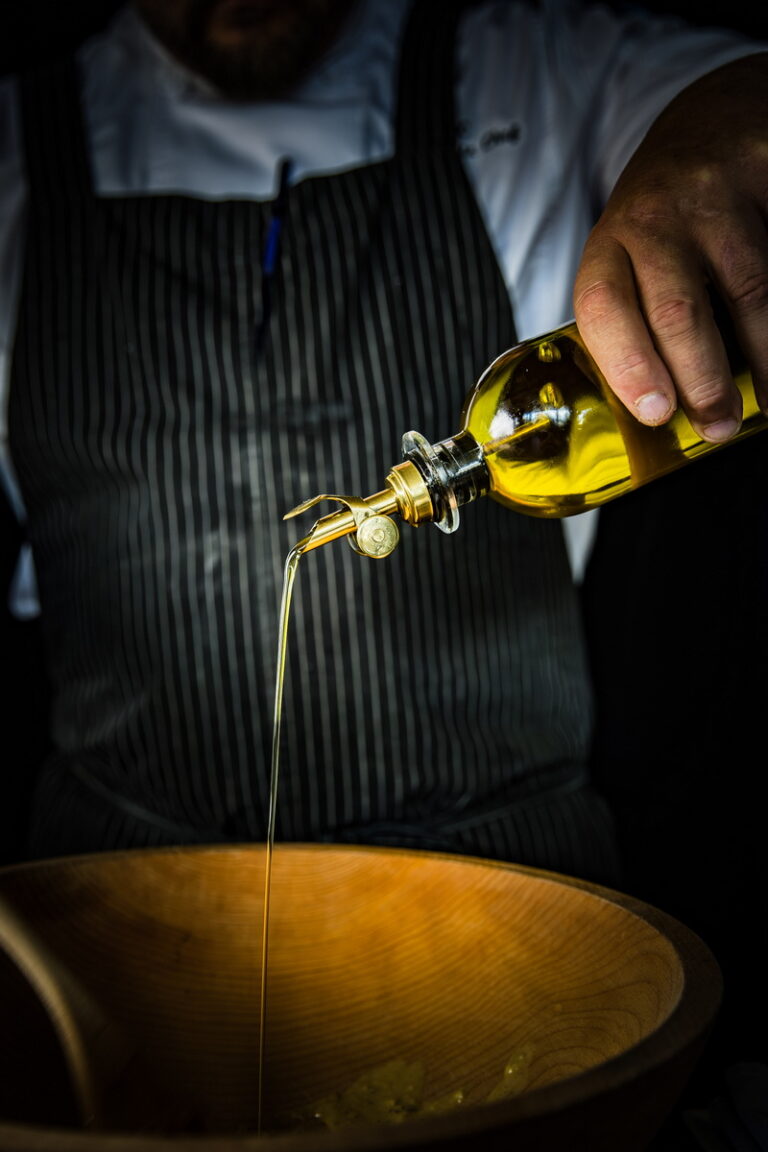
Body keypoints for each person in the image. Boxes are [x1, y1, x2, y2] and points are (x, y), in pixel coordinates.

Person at [0, 0, 766, 1139]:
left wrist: (722, 132)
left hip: (525, 924)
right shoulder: (15, 150)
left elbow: (737, 95)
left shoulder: (529, 68)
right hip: (119, 939)